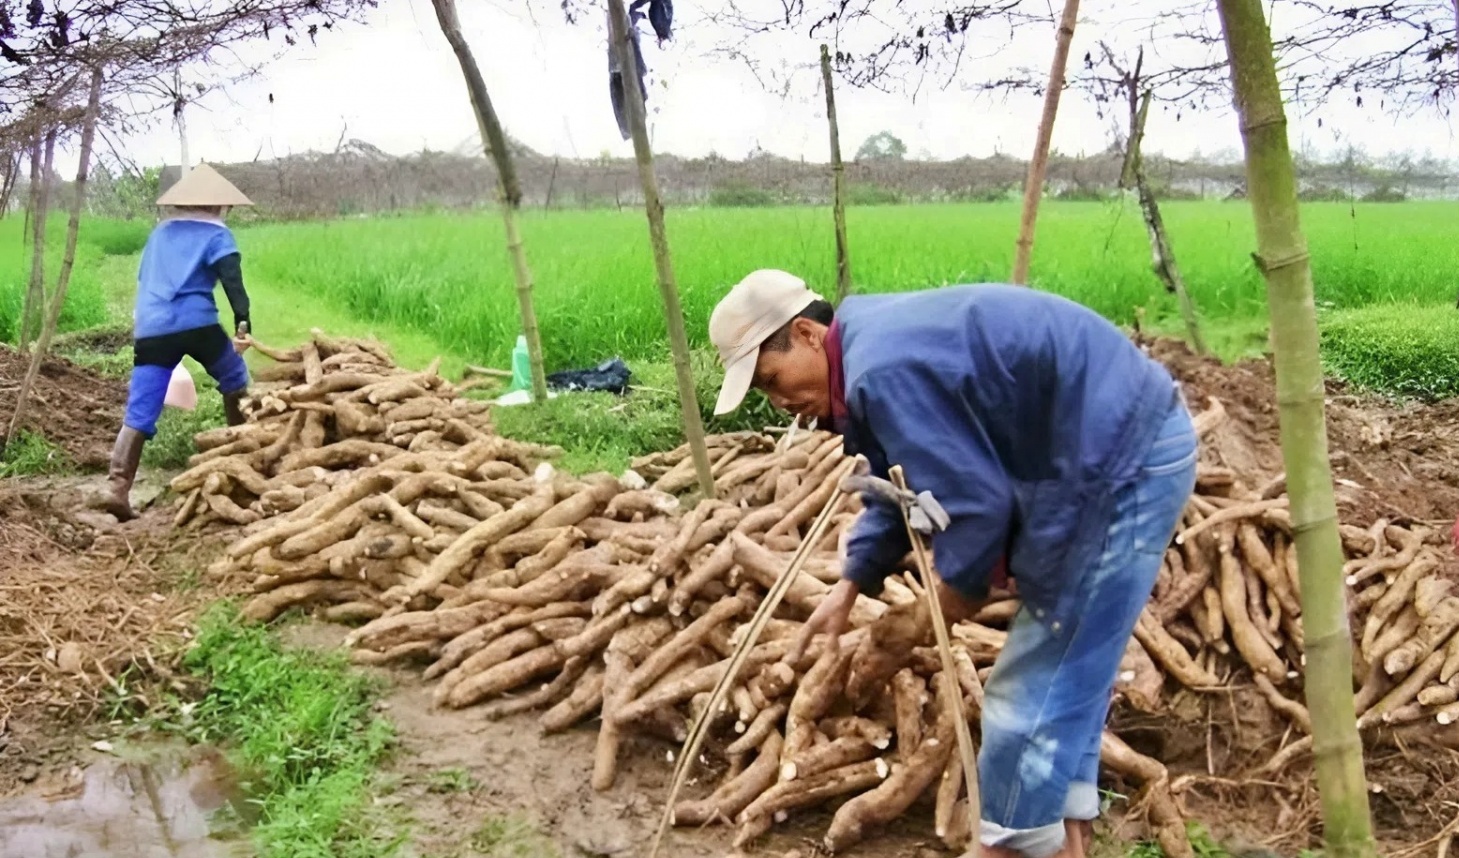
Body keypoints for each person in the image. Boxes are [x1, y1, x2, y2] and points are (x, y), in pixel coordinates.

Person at [708, 270, 1198, 858]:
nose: (780, 402)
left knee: (1023, 705)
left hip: (1121, 464)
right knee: (1062, 686)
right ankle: (1066, 844)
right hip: (1092, 459)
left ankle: (1011, 847)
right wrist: (849, 587)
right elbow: (901, 481)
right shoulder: (868, 349)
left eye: (771, 379)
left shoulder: (880, 370)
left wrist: (923, 617)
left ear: (810, 335)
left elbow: (975, 509)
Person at [100, 164, 256, 522]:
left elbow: (145, 279)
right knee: (234, 379)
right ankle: (242, 454)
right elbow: (233, 283)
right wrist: (243, 325)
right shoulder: (218, 234)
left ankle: (117, 487)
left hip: (152, 328)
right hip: (197, 324)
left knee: (140, 409)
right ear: (220, 205)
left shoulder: (160, 233)